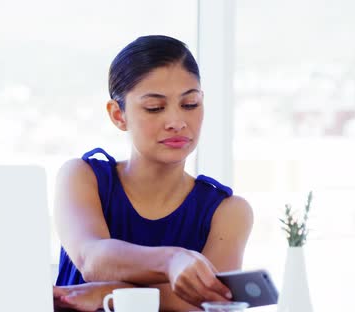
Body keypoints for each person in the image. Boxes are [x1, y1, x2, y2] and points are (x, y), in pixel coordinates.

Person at [52, 35, 253, 311]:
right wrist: (172, 261)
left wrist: (108, 293)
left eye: (190, 104)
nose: (177, 122)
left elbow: (207, 301)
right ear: (118, 115)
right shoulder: (83, 177)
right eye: (154, 108)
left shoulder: (228, 211)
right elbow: (92, 259)